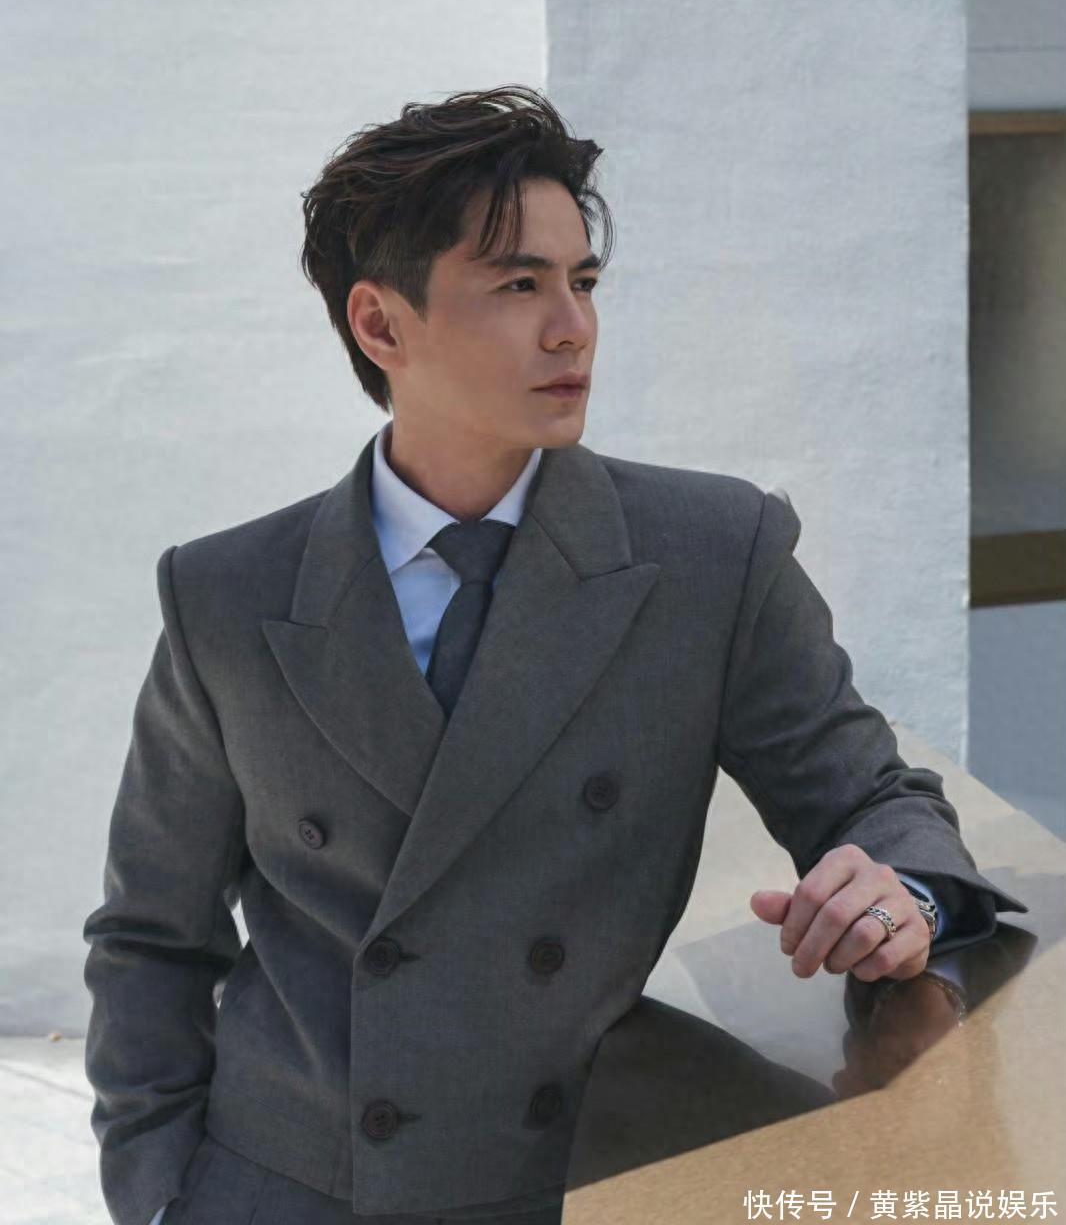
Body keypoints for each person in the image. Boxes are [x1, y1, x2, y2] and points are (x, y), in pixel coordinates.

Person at [82, 85, 1027, 1225]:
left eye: (583, 280)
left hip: (565, 1184)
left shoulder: (709, 553)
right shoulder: (227, 593)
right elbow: (151, 937)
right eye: (518, 285)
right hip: (283, 1188)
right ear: (380, 325)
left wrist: (897, 889)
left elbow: (871, 796)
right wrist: (160, 1194)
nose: (572, 325)